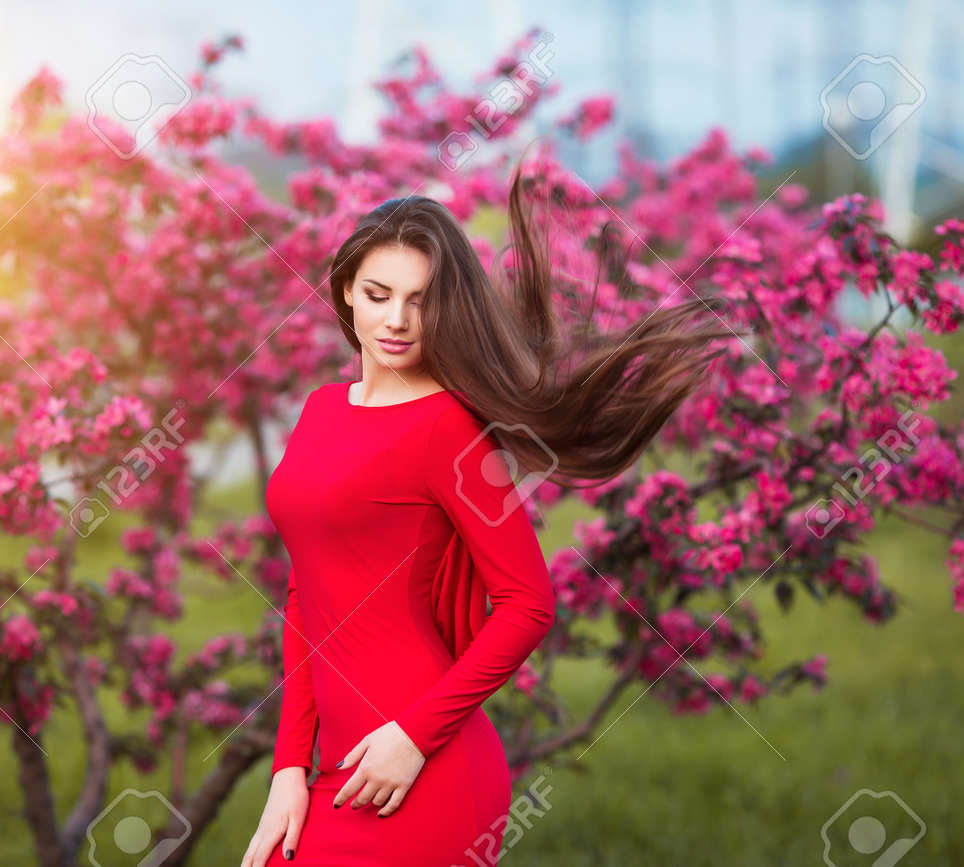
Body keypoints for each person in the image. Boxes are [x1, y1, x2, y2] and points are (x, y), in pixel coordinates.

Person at [241, 164, 735, 866]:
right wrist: (289, 767)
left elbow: (528, 602)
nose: (397, 319)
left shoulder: (450, 430)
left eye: (420, 299)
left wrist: (414, 736)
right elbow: (305, 594)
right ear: (346, 289)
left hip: (426, 766)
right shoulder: (321, 410)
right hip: (336, 771)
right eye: (379, 294)